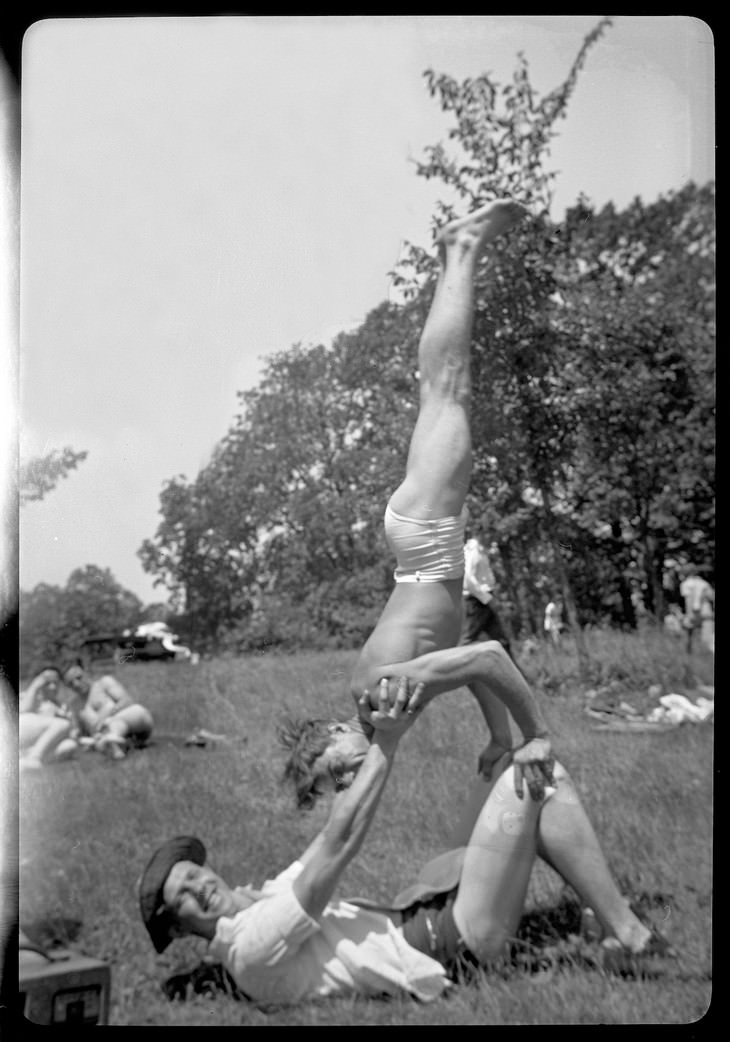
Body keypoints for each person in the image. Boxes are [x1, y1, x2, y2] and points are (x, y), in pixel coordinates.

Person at [139, 684, 674, 1007]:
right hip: (450, 946)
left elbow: (329, 834)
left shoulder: (264, 900)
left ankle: (609, 926)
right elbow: (339, 843)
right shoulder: (250, 950)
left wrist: (349, 755)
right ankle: (624, 934)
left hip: (435, 920)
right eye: (183, 894)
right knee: (537, 775)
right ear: (180, 925)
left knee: (527, 781)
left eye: (193, 873)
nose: (199, 885)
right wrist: (386, 745)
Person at [279, 201, 554, 808]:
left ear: (334, 733)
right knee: (444, 391)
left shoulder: (381, 694)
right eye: (340, 787)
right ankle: (458, 250)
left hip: (427, 541)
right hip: (427, 543)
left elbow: (488, 655)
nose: (350, 778)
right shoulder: (385, 706)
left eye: (337, 770)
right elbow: (469, 665)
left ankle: (462, 246)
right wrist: (498, 734)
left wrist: (536, 735)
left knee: (447, 387)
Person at [62, 660, 154, 760]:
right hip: (104, 734)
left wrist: (106, 718)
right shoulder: (75, 705)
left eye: (79, 678)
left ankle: (113, 741)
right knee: (100, 737)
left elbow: (126, 700)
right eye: (70, 683)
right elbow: (79, 731)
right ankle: (117, 745)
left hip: (133, 721)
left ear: (86, 673)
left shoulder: (103, 683)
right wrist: (75, 733)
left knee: (114, 722)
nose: (76, 684)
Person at [461, 534, 515, 658]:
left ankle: (515, 676)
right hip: (477, 601)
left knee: (502, 643)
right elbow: (467, 579)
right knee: (466, 642)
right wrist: (487, 599)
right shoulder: (472, 551)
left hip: (486, 599)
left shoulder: (483, 550)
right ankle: (449, 672)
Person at [19, 666, 79, 770]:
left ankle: (25, 759)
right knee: (62, 724)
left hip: (40, 745)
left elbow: (74, 732)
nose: (52, 687)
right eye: (47, 682)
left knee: (70, 745)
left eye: (56, 683)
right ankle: (33, 758)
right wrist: (35, 686)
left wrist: (69, 726)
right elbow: (23, 711)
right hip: (21, 736)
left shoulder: (62, 706)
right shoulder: (28, 696)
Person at [679, 564, 714, 654]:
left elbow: (688, 600)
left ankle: (687, 654)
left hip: (694, 613)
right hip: (706, 612)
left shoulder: (685, 584)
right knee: (708, 639)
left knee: (687, 634)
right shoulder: (703, 583)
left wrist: (689, 614)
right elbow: (711, 597)